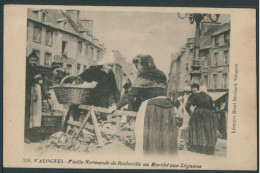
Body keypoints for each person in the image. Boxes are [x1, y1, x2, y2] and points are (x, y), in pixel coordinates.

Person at [109, 55, 178, 155]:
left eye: (138, 66)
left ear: (143, 65)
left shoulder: (142, 77)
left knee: (146, 136)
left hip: (152, 108)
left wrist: (116, 106)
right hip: (167, 107)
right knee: (163, 137)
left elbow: (129, 96)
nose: (137, 69)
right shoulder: (162, 75)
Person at [62, 54, 119, 132]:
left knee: (100, 122)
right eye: (108, 65)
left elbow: (114, 89)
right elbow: (79, 78)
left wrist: (118, 103)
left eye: (112, 66)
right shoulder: (93, 70)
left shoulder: (111, 75)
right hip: (89, 98)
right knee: (82, 118)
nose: (110, 68)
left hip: (102, 101)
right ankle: (70, 129)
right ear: (103, 64)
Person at [185, 85, 217, 155]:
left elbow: (187, 105)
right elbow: (212, 108)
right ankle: (208, 147)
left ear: (200, 90)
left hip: (198, 114)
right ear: (206, 90)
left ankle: (198, 146)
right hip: (208, 115)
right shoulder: (209, 97)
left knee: (198, 130)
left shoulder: (196, 96)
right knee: (207, 130)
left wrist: (191, 113)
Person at [25, 51, 41, 143]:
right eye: (32, 60)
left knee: (35, 115)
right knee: (28, 114)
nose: (33, 62)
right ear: (28, 61)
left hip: (35, 94)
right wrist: (35, 78)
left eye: (35, 60)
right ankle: (26, 135)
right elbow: (25, 80)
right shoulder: (26, 68)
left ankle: (33, 136)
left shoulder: (37, 69)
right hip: (27, 93)